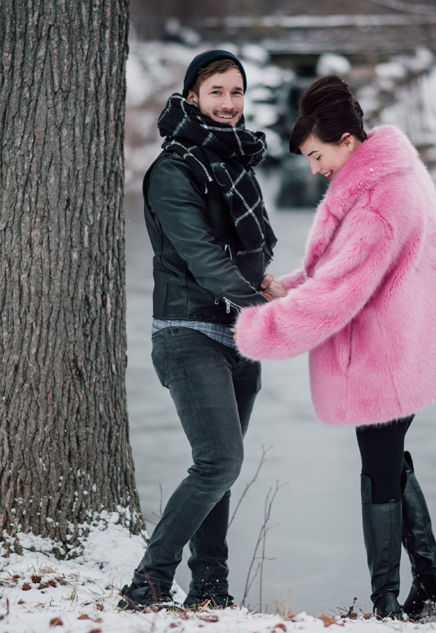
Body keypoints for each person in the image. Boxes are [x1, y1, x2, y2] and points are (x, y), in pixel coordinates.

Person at [233, 74, 436, 620]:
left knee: (380, 470)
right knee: (388, 463)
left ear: (347, 142)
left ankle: (387, 605)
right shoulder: (387, 175)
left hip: (389, 357)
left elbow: (341, 290)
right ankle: (433, 583)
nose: (314, 169)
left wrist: (258, 327)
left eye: (317, 156)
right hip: (409, 347)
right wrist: (288, 286)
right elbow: (339, 267)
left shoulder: (380, 198)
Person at [119, 50, 282, 611]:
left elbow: (251, 249)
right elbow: (204, 257)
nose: (229, 103)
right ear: (192, 97)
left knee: (220, 469)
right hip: (188, 332)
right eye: (217, 92)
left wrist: (266, 291)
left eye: (237, 92)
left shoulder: (234, 162)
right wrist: (259, 300)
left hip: (240, 336)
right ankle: (148, 581)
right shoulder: (173, 170)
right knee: (220, 461)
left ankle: (211, 587)